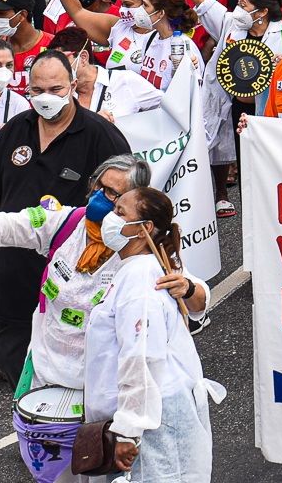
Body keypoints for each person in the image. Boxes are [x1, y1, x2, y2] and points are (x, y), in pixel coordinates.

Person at [0, 155, 207, 463]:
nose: (100, 199)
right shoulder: (66, 222)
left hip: (99, 393)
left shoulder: (146, 259)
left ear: (134, 203)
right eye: (99, 187)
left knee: (96, 469)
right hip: (47, 376)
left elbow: (195, 303)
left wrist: (189, 289)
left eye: (115, 197)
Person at [0, 52, 132, 390]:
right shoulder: (15, 129)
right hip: (13, 268)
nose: (46, 97)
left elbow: (130, 203)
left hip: (74, 278)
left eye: (56, 88)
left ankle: (71, 430)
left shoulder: (102, 136)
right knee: (5, 345)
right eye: (37, 89)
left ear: (74, 85)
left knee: (74, 366)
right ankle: (35, 418)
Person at [82, 186, 220, 479]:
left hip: (152, 426)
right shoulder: (136, 267)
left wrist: (129, 431)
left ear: (144, 227)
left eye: (120, 212)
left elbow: (141, 357)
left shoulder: (141, 279)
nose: (111, 217)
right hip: (149, 419)